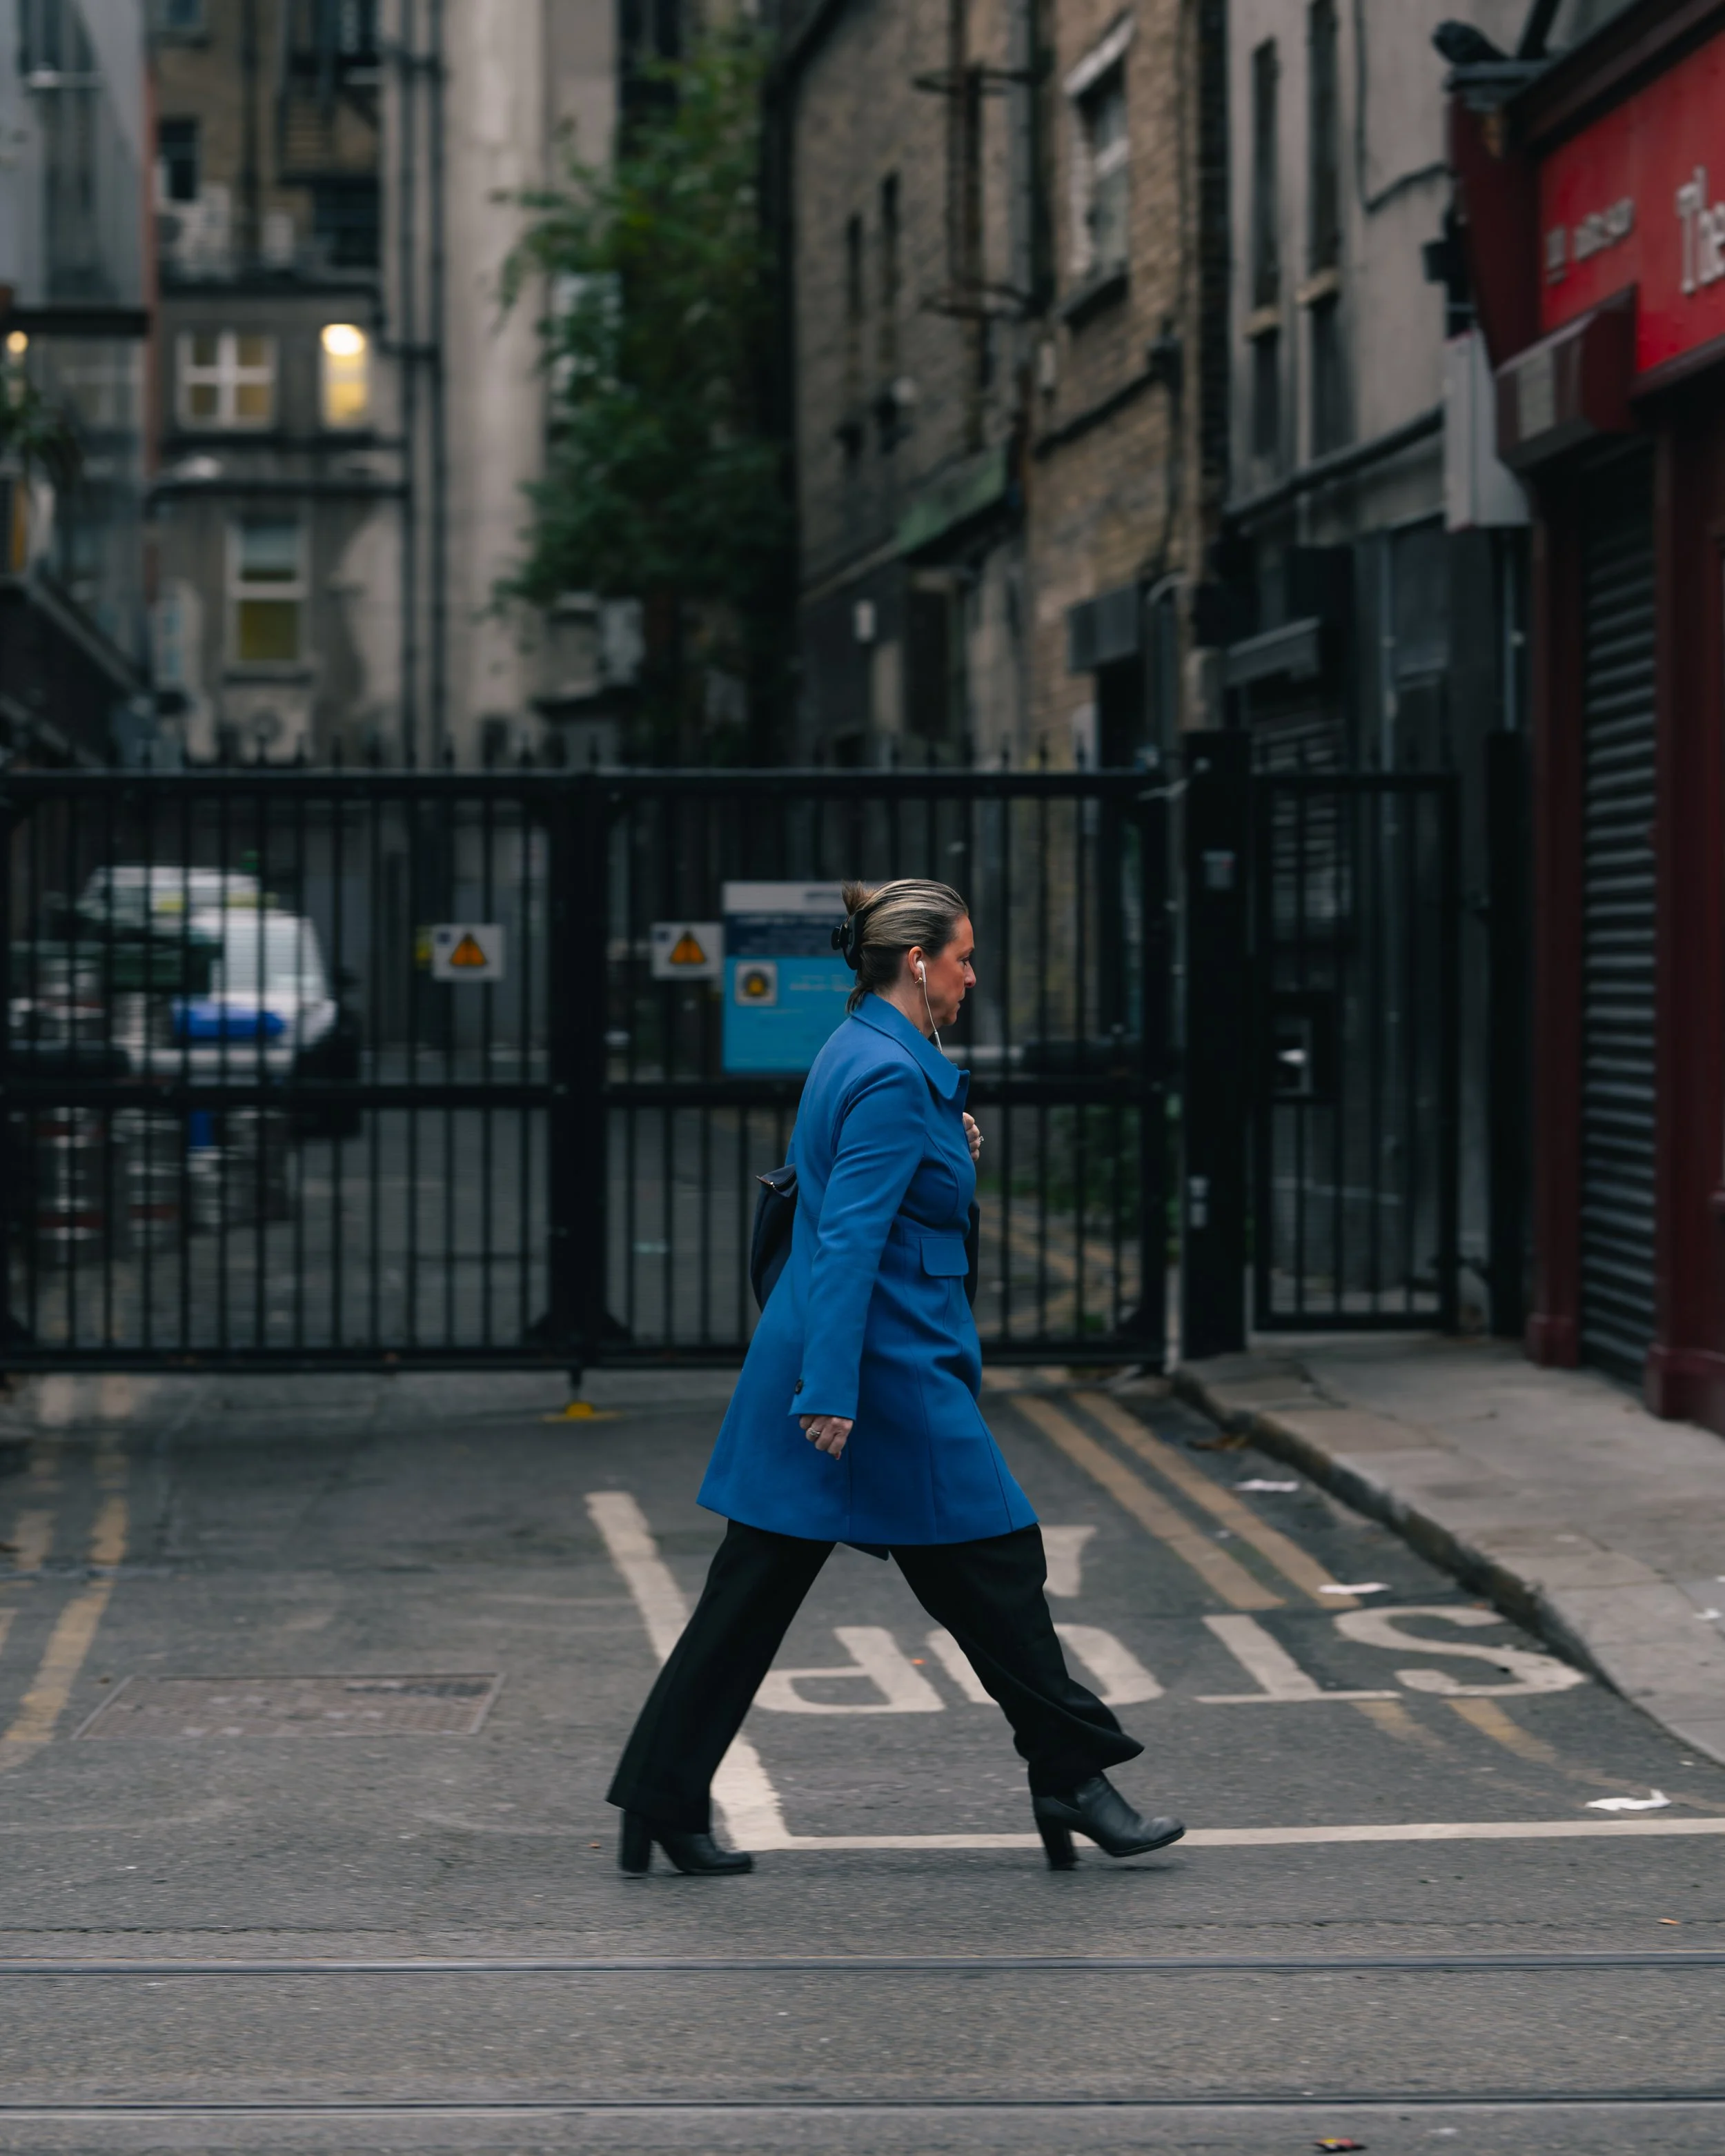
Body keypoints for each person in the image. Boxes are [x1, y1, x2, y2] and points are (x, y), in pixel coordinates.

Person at [607, 878, 1185, 1876]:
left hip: (848, 1361)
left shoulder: (865, 1049)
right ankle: (1073, 1777)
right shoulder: (887, 1075)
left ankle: (660, 1797)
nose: (971, 977)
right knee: (997, 1563)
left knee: (754, 1594)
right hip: (879, 1373)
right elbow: (847, 1238)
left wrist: (948, 1149)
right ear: (918, 962)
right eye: (963, 958)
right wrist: (829, 1390)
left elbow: (849, 1187)